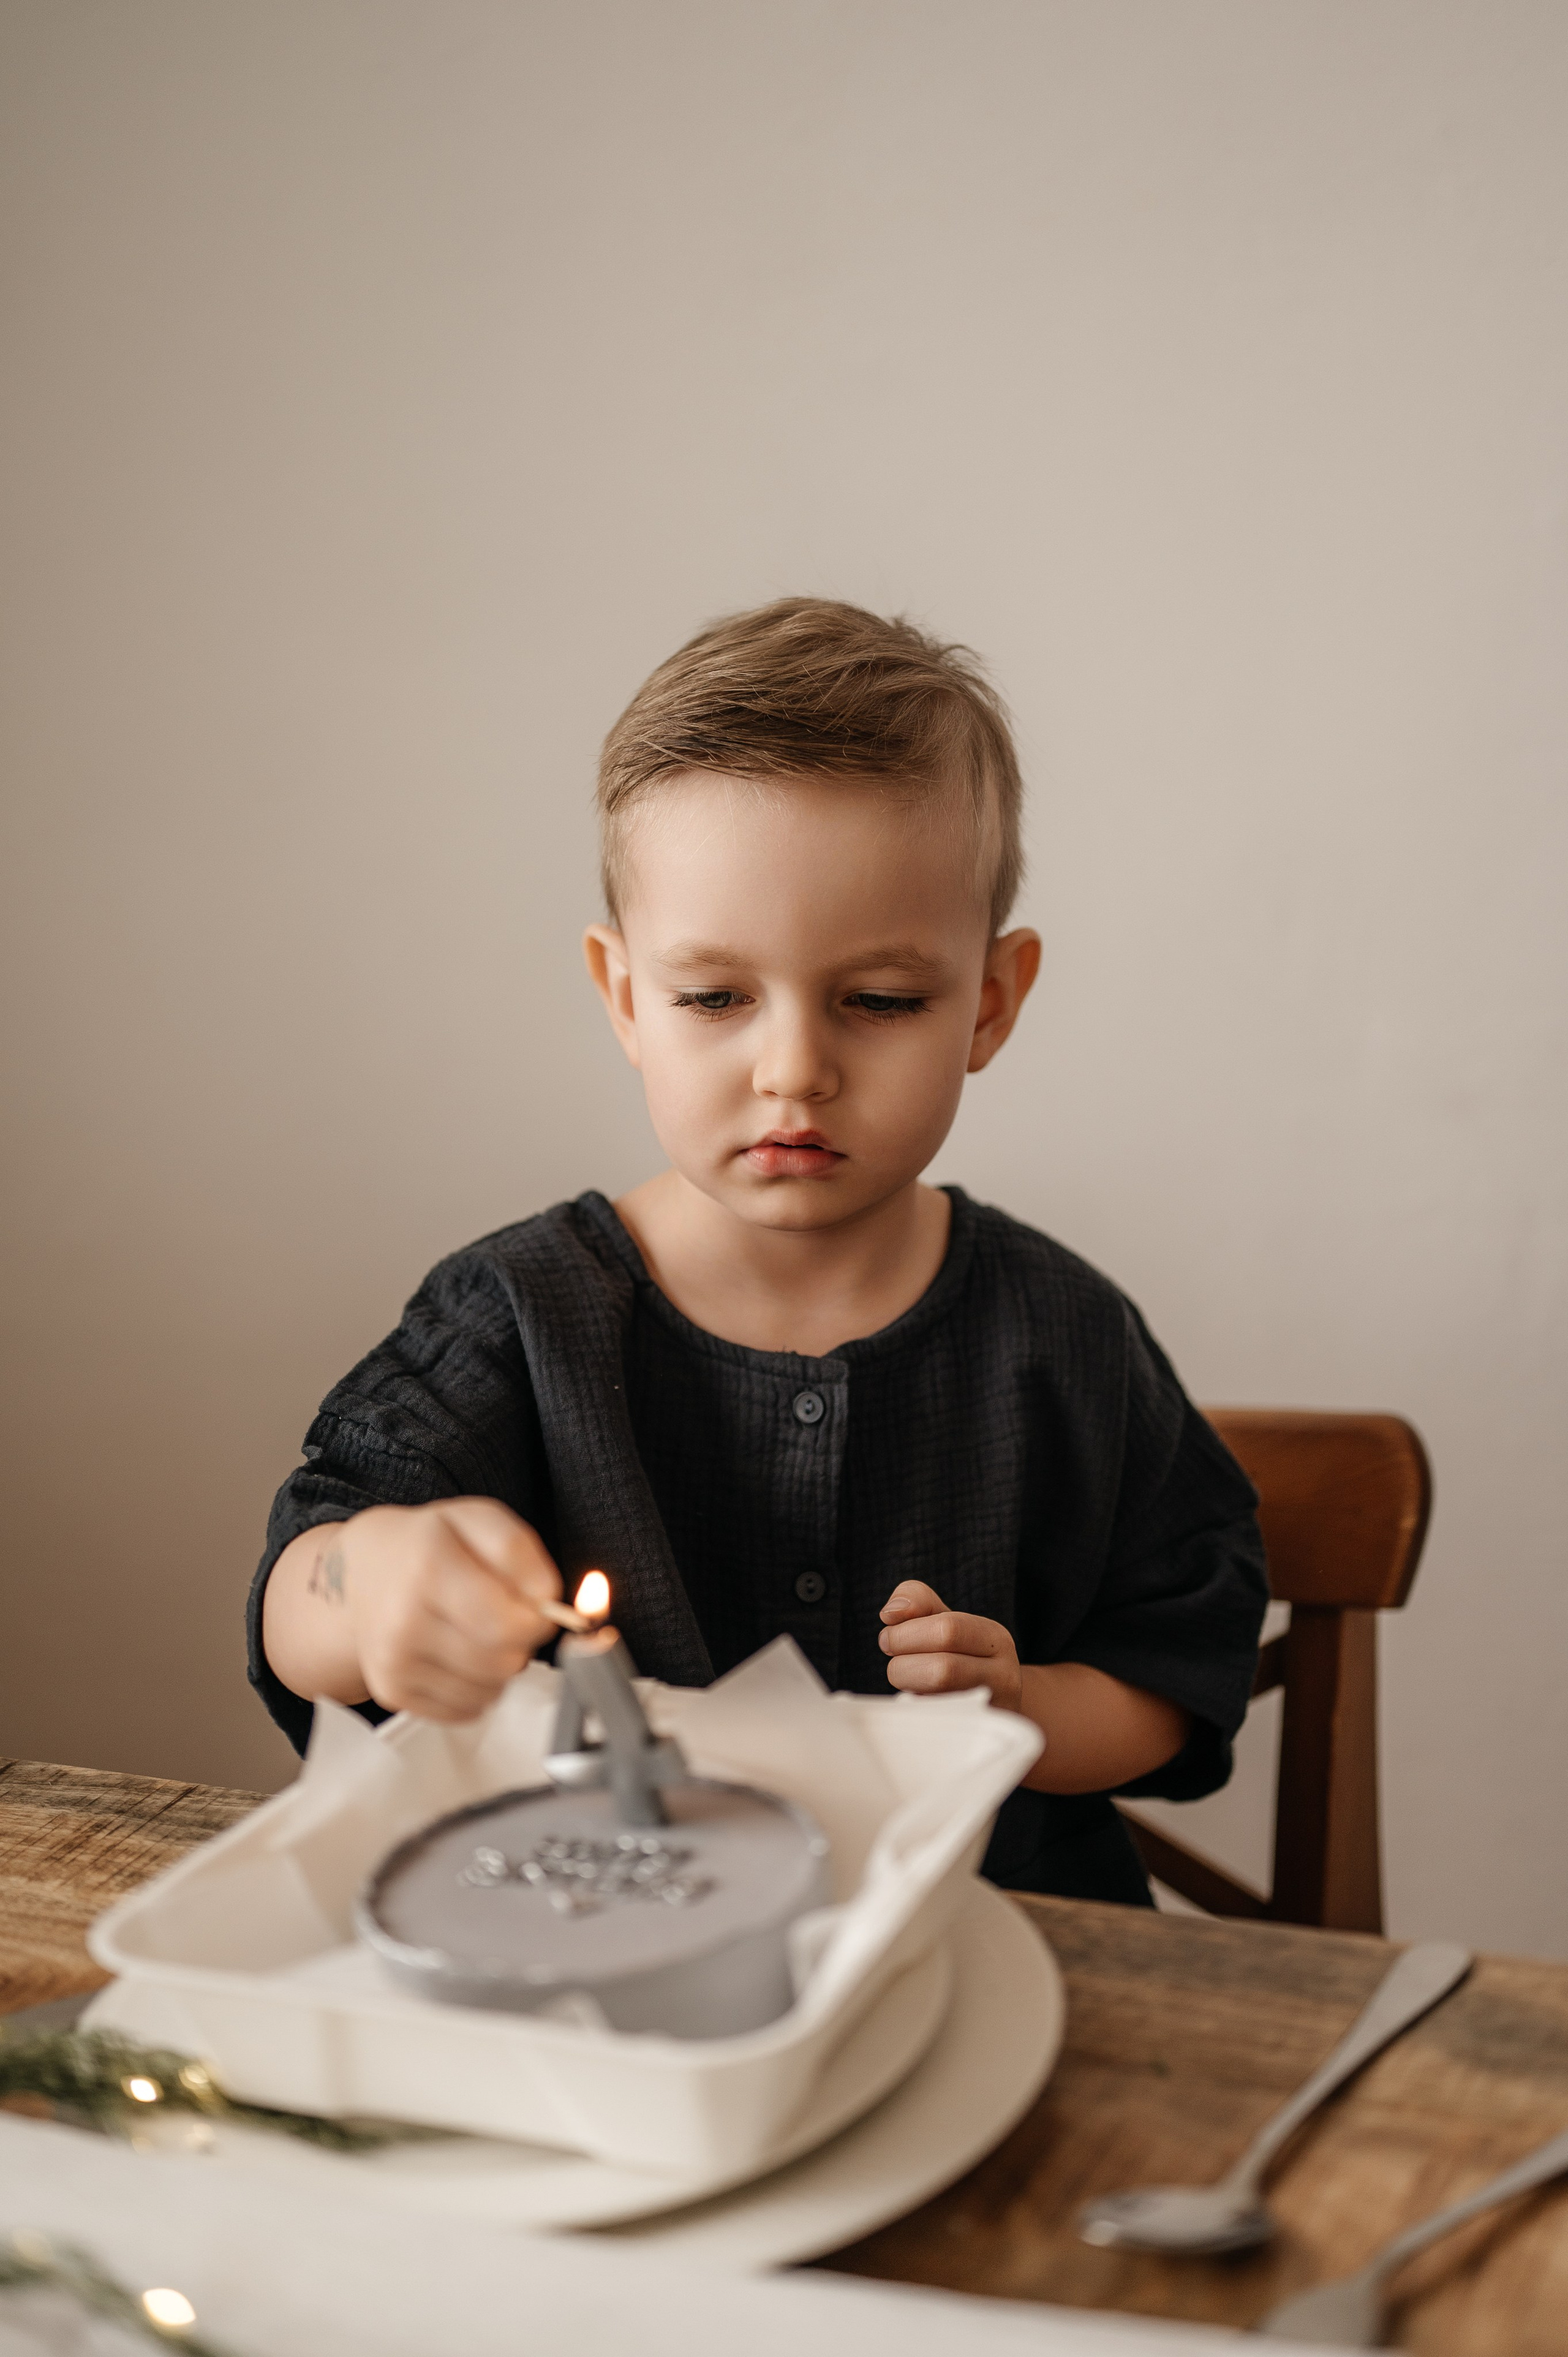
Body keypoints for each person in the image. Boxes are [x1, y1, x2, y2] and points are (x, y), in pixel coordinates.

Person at [253, 597, 1267, 1906]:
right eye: (714, 997)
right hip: (603, 1956)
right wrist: (370, 1583)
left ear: (990, 1002)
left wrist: (1020, 1709)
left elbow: (1178, 1669)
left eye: (880, 1000)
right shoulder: (515, 1313)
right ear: (625, 996)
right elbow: (302, 1591)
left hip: (996, 1962)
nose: (793, 1068)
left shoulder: (1062, 1333)